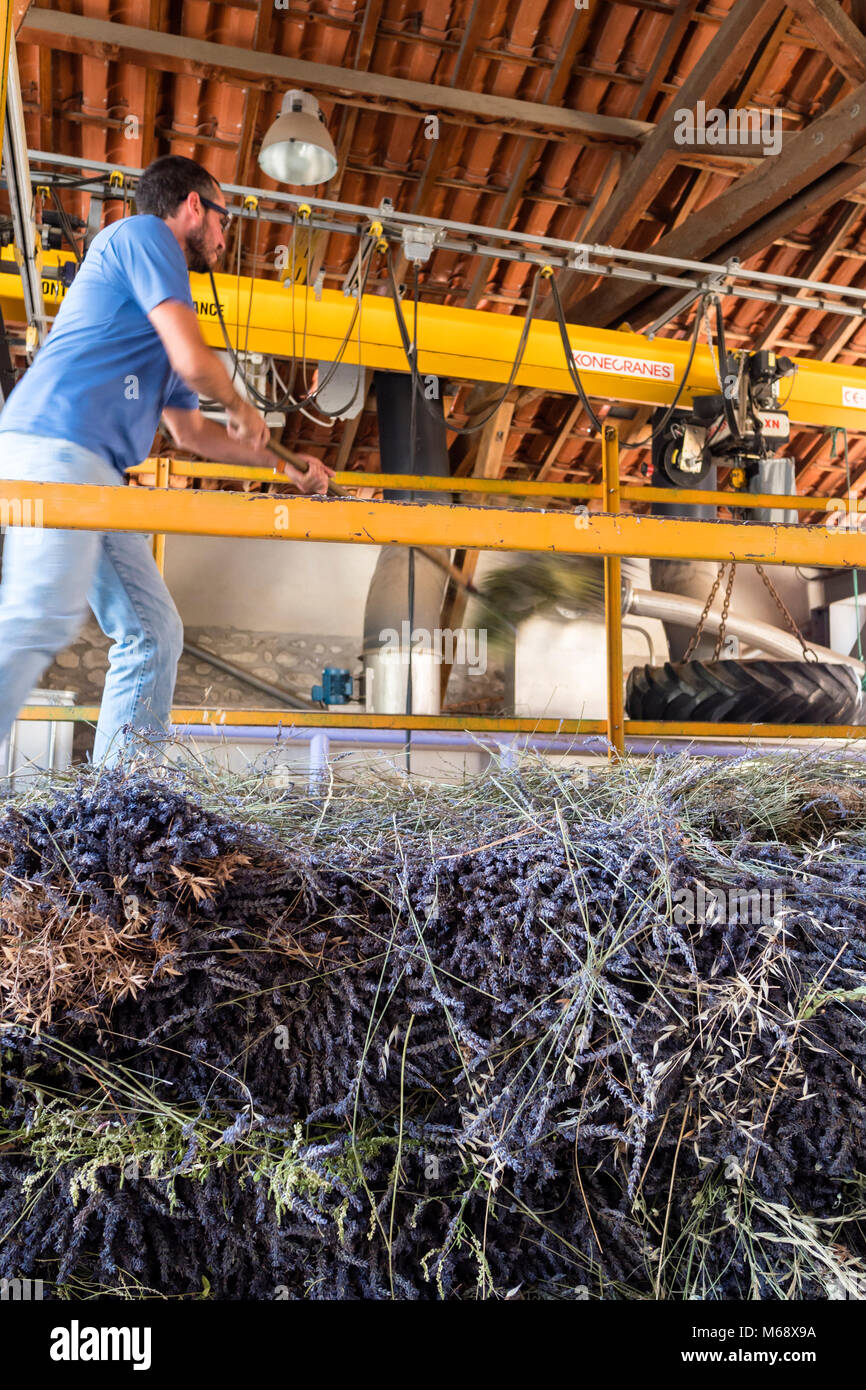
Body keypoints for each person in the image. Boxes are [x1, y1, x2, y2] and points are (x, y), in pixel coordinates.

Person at [0, 154, 332, 764]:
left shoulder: (157, 309)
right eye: (225, 219)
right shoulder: (144, 234)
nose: (227, 238)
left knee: (154, 634)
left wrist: (281, 467)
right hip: (55, 445)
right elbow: (195, 362)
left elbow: (190, 433)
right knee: (37, 617)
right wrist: (239, 401)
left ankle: (119, 807)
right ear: (194, 207)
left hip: (94, 470)